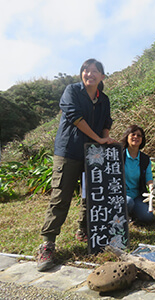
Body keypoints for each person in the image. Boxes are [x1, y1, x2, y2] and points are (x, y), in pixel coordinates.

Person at [37, 59, 117, 272]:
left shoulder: (104, 99)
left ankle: (84, 230)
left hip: (92, 153)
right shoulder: (71, 91)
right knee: (60, 197)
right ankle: (48, 244)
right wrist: (98, 140)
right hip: (69, 151)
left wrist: (106, 138)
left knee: (90, 194)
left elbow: (106, 122)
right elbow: (75, 118)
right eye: (86, 70)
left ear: (102, 77)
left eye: (94, 71)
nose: (89, 74)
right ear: (81, 73)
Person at [120, 125, 155, 224]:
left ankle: (132, 214)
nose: (136, 137)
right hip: (121, 195)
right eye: (133, 134)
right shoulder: (119, 155)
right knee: (128, 202)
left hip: (137, 196)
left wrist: (151, 188)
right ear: (127, 137)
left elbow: (148, 178)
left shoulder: (145, 159)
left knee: (148, 217)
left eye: (139, 135)